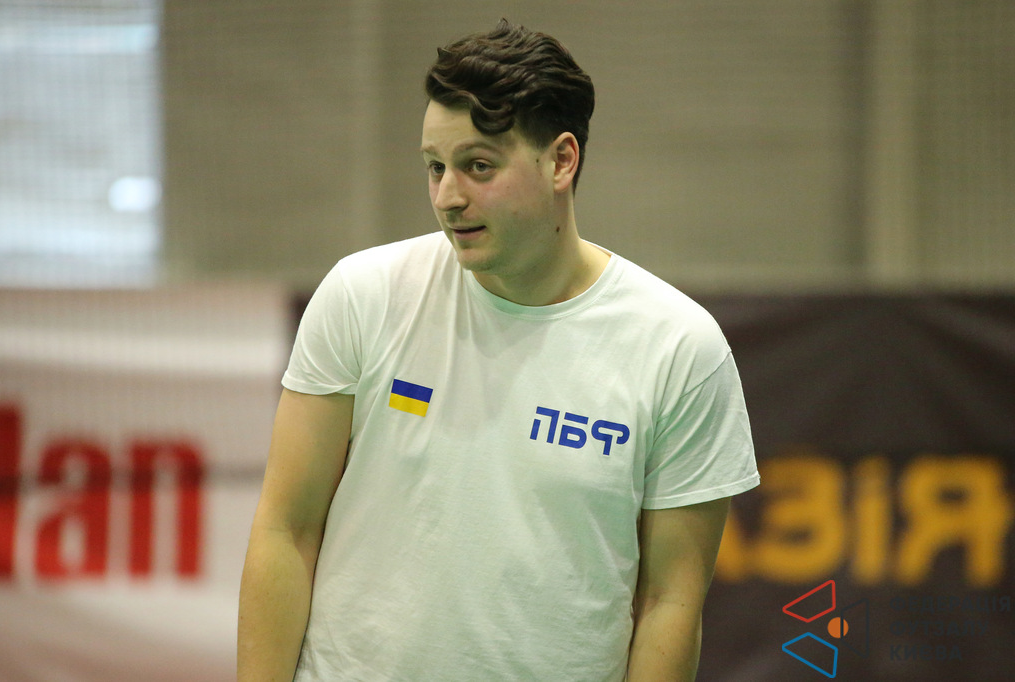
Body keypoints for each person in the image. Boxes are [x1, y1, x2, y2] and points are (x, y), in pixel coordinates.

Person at [238, 18, 759, 682]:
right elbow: (285, 531)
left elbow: (670, 604)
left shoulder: (680, 348)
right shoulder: (362, 295)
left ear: (561, 161)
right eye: (435, 167)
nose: (447, 197)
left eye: (477, 166)